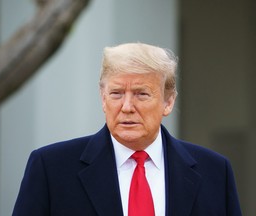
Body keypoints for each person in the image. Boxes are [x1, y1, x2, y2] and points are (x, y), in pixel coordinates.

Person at [12, 43, 242, 216]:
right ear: (103, 99)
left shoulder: (214, 171)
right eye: (116, 94)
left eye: (142, 94)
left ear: (168, 102)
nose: (127, 107)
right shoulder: (51, 168)